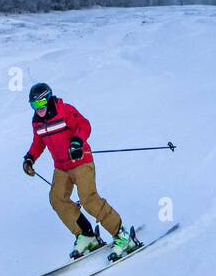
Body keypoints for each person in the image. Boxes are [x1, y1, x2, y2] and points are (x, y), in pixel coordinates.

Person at [22, 82, 140, 261]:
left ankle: (123, 236)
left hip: (80, 161)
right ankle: (86, 236)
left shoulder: (65, 111)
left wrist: (77, 142)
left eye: (40, 104)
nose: (37, 109)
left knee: (88, 199)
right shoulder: (37, 122)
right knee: (57, 199)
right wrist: (30, 158)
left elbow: (84, 126)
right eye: (33, 106)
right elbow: (39, 142)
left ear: (48, 100)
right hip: (61, 167)